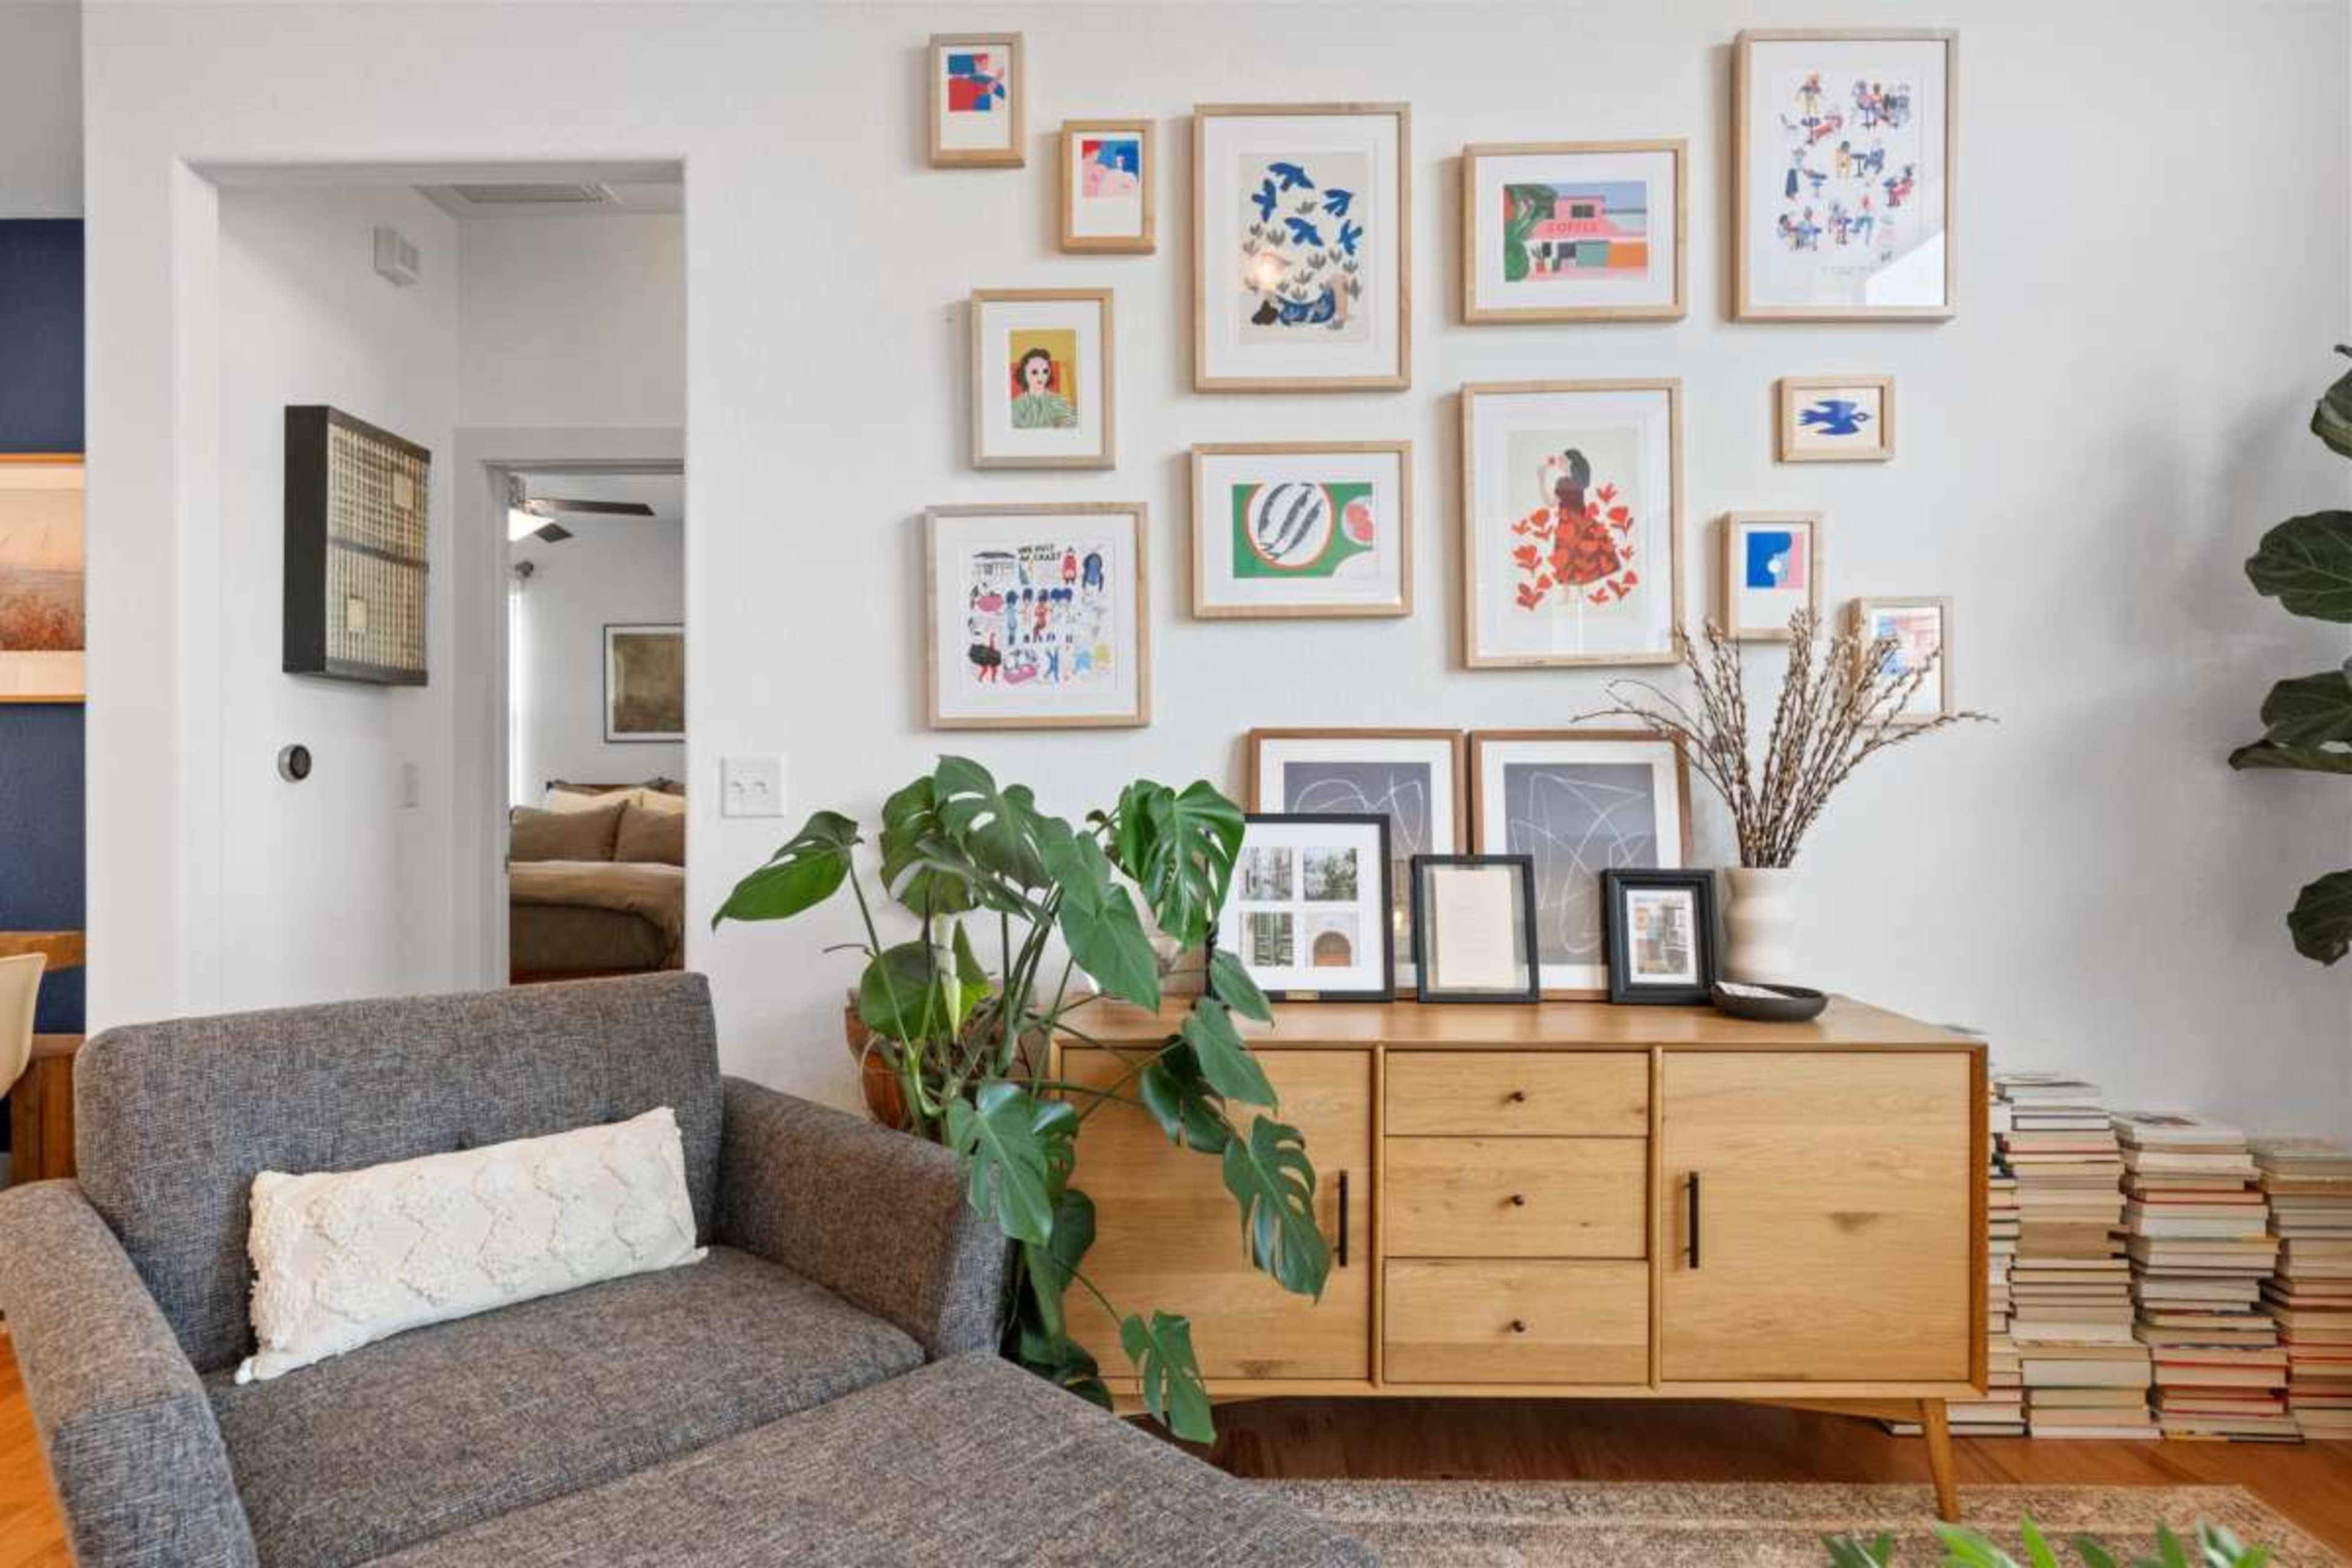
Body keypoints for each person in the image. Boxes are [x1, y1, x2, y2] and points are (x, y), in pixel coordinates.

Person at [1009, 348, 1077, 429]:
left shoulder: (1057, 400)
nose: (1041, 377)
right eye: (1035, 372)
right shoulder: (1017, 405)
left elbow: (1072, 423)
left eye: (1045, 371)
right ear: (1024, 374)